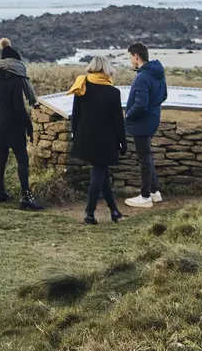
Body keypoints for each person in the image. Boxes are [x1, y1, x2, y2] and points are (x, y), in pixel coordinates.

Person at [0, 37, 43, 210]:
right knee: (22, 160)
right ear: (16, 61)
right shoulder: (17, 78)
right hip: (14, 125)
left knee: (1, 158)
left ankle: (0, 193)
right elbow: (19, 106)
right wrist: (29, 126)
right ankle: (26, 196)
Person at [69, 55, 127, 225]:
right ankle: (89, 212)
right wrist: (122, 142)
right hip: (105, 139)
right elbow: (118, 120)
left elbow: (76, 114)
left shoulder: (82, 85)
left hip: (85, 137)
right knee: (99, 172)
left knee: (101, 172)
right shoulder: (112, 92)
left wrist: (75, 135)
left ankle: (114, 210)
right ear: (106, 70)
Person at [123, 41, 167, 208]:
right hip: (153, 119)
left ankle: (145, 196)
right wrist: (152, 110)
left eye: (130, 57)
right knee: (147, 156)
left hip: (141, 123)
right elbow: (163, 95)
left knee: (144, 159)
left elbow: (141, 104)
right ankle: (155, 192)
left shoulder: (142, 77)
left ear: (136, 56)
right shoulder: (159, 74)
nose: (130, 61)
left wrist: (128, 114)